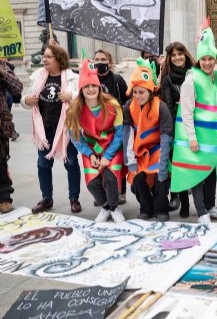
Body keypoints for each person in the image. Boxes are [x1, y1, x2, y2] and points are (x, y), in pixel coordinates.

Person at [171, 25, 217, 224]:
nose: (208, 62)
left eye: (211, 59)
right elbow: (186, 111)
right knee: (196, 173)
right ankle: (201, 211)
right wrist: (191, 137)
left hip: (211, 136)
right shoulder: (191, 79)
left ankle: (211, 206)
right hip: (195, 135)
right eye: (204, 59)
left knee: (210, 170)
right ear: (199, 60)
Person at [23, 44, 82, 214]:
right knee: (43, 164)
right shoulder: (37, 77)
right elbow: (26, 98)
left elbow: (85, 95)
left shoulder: (72, 77)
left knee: (71, 163)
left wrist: (72, 96)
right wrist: (26, 100)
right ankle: (47, 198)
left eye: (48, 56)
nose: (44, 59)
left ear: (58, 59)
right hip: (44, 129)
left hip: (66, 129)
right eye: (44, 56)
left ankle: (74, 199)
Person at [66, 59, 126, 223]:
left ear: (99, 87)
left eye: (93, 85)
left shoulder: (113, 105)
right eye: (87, 86)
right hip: (91, 148)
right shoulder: (74, 109)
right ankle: (106, 206)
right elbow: (75, 136)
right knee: (92, 182)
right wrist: (89, 153)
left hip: (112, 146)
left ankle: (114, 208)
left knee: (110, 178)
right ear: (81, 88)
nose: (91, 89)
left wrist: (107, 156)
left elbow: (120, 134)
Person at [123, 58, 172, 221]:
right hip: (139, 152)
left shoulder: (161, 107)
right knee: (138, 178)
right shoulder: (128, 107)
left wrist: (163, 163)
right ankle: (146, 208)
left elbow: (166, 136)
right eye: (135, 92)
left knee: (160, 177)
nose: (137, 96)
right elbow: (127, 134)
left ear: (150, 92)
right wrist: (130, 160)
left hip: (158, 150)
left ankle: (161, 209)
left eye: (141, 92)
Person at [160, 41, 196, 218]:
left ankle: (203, 202)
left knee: (194, 162)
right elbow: (168, 105)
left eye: (180, 54)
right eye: (173, 55)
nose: (177, 57)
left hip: (196, 121)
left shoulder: (195, 72)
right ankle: (181, 200)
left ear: (185, 54)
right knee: (178, 164)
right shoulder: (166, 77)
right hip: (176, 122)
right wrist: (176, 130)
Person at [93, 49, 129, 205]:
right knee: (99, 161)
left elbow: (128, 99)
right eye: (97, 59)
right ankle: (103, 193)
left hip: (116, 126)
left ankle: (120, 192)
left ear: (110, 62)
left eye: (103, 59)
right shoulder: (90, 79)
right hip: (96, 128)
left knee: (117, 161)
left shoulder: (117, 79)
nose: (100, 62)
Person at [0, 58, 23, 213]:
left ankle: (4, 198)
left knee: (0, 161)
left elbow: (18, 88)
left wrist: (2, 73)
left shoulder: (2, 66)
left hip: (0, 123)